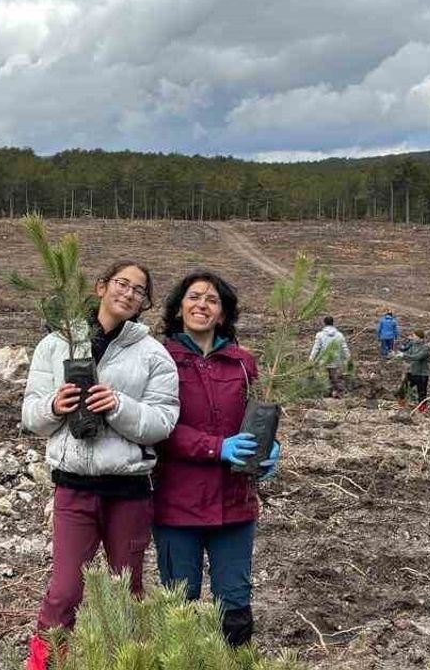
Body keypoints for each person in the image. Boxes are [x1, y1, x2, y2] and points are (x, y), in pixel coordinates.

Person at [22, 261, 179, 669]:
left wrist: (119, 406)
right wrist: (53, 406)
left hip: (128, 491)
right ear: (101, 286)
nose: (128, 293)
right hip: (73, 486)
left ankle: (127, 662)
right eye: (121, 284)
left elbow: (161, 423)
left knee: (127, 590)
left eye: (139, 290)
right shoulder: (56, 344)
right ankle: (44, 663)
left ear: (145, 303)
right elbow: (30, 415)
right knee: (64, 591)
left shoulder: (154, 356)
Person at [154, 270, 280, 648]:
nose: (202, 305)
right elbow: (158, 427)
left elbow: (260, 415)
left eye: (212, 300)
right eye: (194, 297)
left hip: (234, 504)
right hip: (177, 504)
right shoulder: (159, 357)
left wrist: (271, 448)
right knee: (181, 604)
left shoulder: (244, 363)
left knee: (236, 605)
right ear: (179, 308)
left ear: (222, 314)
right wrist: (215, 447)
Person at [309, 316, 351, 398]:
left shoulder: (320, 335)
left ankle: (326, 393)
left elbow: (316, 348)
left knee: (324, 378)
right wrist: (348, 358)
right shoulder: (339, 335)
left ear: (324, 323)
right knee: (335, 377)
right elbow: (344, 347)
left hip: (323, 360)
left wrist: (311, 358)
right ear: (333, 323)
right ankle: (336, 393)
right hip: (336, 360)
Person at [394, 330, 430, 412]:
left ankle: (422, 410)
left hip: (422, 374)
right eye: (413, 336)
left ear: (420, 338)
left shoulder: (425, 348)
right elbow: (408, 354)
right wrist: (399, 354)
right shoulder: (413, 346)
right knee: (401, 391)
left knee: (422, 394)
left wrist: (404, 355)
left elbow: (417, 357)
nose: (413, 338)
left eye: (414, 336)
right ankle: (402, 408)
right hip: (412, 373)